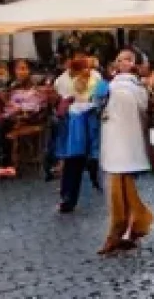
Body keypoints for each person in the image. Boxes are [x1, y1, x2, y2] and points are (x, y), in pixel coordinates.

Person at [98, 49, 154, 256]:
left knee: (121, 184)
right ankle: (135, 223)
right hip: (113, 139)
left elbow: (148, 112)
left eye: (128, 59)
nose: (123, 62)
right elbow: (98, 105)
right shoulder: (108, 84)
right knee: (121, 185)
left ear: (135, 63)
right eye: (120, 59)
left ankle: (122, 228)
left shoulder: (139, 86)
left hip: (130, 139)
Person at [55, 57, 109, 212]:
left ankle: (71, 196)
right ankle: (69, 197)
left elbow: (101, 94)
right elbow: (64, 99)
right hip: (77, 122)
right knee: (76, 159)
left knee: (81, 158)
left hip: (86, 120)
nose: (86, 71)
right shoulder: (63, 80)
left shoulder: (94, 77)